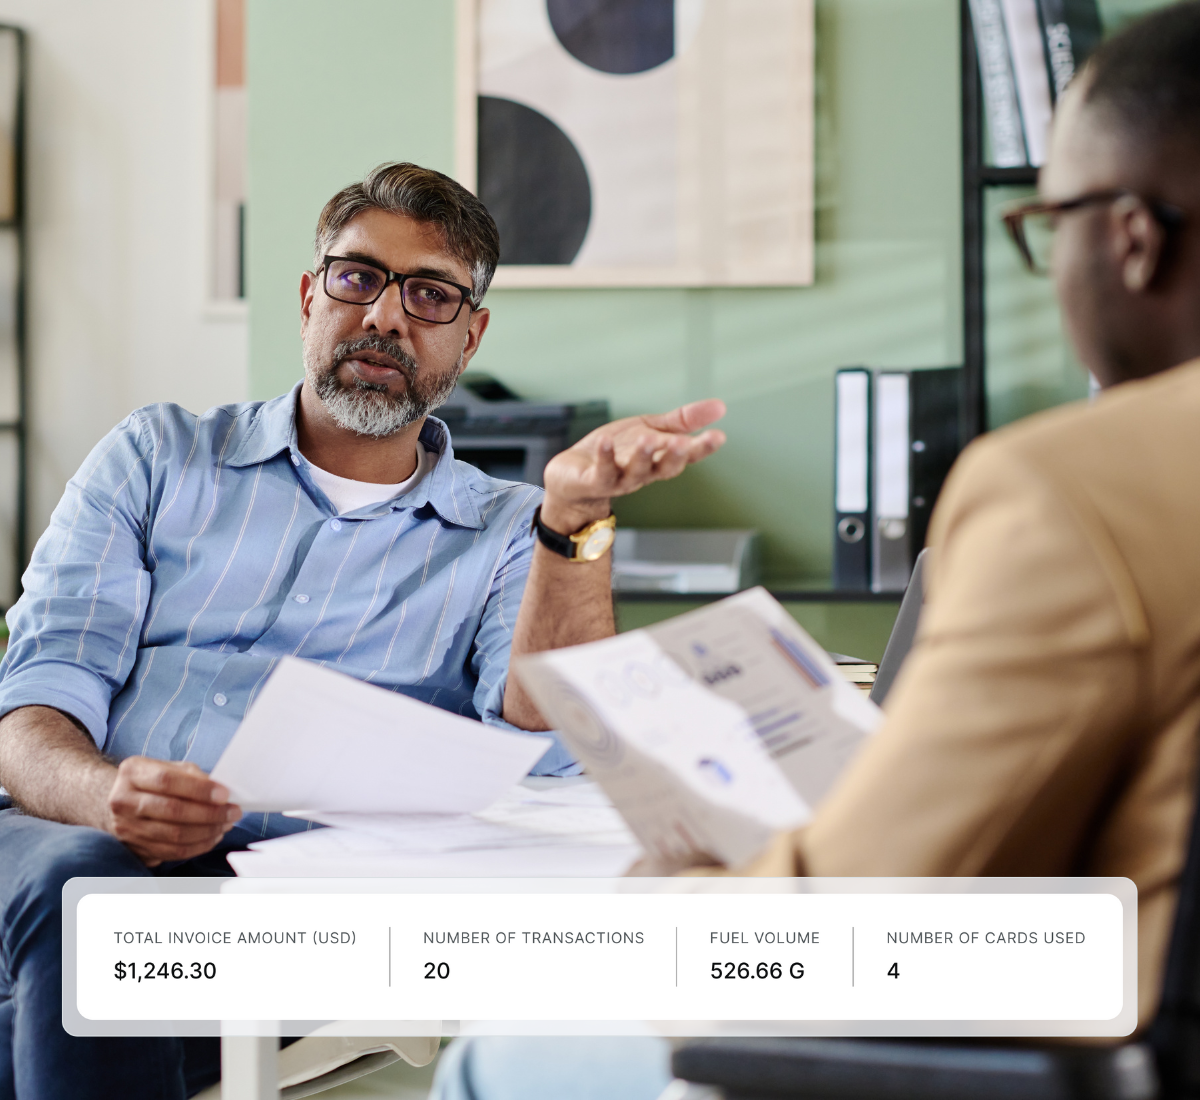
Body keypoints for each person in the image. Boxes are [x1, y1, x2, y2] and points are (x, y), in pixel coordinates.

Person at [430, 4, 1200, 1096]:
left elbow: (845, 928)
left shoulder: (1075, 490)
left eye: (1049, 223)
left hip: (1070, 1050)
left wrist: (673, 893)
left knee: (497, 1052)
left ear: (1131, 237)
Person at [0, 162, 726, 1099]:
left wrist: (574, 519)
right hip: (64, 839)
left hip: (295, 904)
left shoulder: (512, 530)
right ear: (311, 296)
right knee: (96, 898)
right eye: (358, 277)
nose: (386, 316)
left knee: (64, 1017)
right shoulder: (156, 456)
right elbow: (32, 704)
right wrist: (105, 799)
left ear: (470, 338)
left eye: (431, 295)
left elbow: (545, 742)